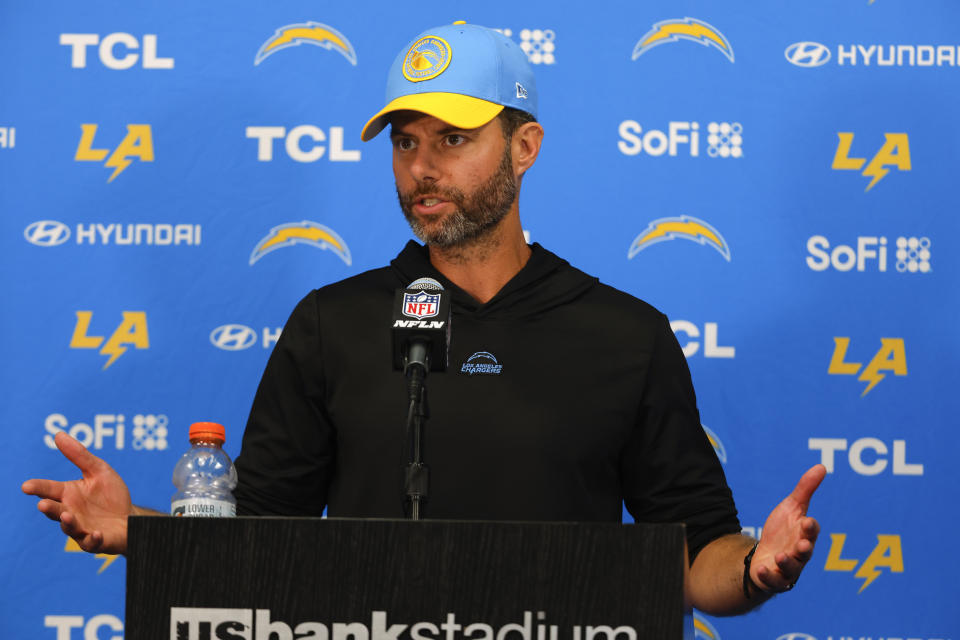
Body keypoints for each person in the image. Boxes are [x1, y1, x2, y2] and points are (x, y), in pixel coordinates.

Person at [23, 22, 825, 616]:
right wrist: (144, 531)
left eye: (454, 138)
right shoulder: (331, 324)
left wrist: (758, 565)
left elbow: (692, 556)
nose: (422, 168)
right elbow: (258, 550)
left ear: (526, 147)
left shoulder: (625, 334)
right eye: (406, 143)